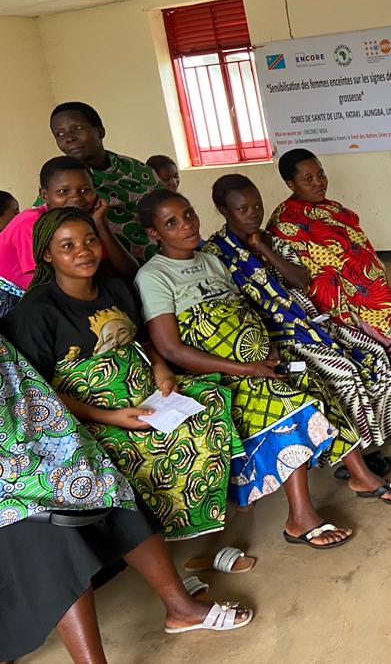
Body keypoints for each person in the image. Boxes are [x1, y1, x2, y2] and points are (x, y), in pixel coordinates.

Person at [135, 190, 391, 547]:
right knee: (287, 400)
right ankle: (300, 518)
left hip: (258, 358)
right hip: (220, 373)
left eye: (188, 214)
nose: (186, 225)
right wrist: (244, 369)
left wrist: (269, 351)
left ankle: (360, 475)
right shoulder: (154, 276)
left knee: (316, 378)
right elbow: (172, 347)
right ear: (154, 233)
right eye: (172, 222)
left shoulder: (211, 261)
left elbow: (241, 312)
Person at [0, 335, 253, 663]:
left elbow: (27, 398)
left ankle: (181, 607)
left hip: (31, 452)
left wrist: (48, 458)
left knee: (105, 483)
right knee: (43, 534)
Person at [2, 207, 240, 542]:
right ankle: (167, 536)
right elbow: (39, 395)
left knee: (210, 402)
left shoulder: (115, 288)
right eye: (67, 246)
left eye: (89, 240)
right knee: (146, 444)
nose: (84, 251)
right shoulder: (35, 313)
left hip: (146, 392)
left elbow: (144, 339)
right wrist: (110, 416)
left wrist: (161, 368)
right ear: (46, 254)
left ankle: (206, 526)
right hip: (87, 412)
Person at [205, 174, 391, 472]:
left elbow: (299, 279)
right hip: (278, 336)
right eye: (243, 209)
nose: (254, 213)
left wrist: (264, 249)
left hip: (308, 320)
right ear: (224, 211)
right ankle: (346, 459)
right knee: (344, 373)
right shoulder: (217, 253)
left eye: (257, 205)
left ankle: (369, 444)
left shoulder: (269, 238)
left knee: (373, 353)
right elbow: (238, 306)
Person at [267, 149, 391, 417]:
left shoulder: (331, 209)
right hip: (338, 306)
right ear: (290, 184)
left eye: (320, 174)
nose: (319, 182)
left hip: (373, 291)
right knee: (385, 341)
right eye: (308, 179)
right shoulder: (284, 224)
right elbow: (298, 277)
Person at [47, 101, 164, 263]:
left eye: (77, 128)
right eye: (59, 134)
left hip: (161, 264)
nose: (69, 138)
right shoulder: (60, 184)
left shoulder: (138, 170)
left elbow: (169, 211)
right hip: (104, 272)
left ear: (100, 131)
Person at [0, 156, 137, 290]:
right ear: (44, 195)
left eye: (85, 190)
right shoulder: (30, 224)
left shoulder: (84, 220)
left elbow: (129, 272)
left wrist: (100, 223)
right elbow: (41, 287)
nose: (76, 198)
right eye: (63, 192)